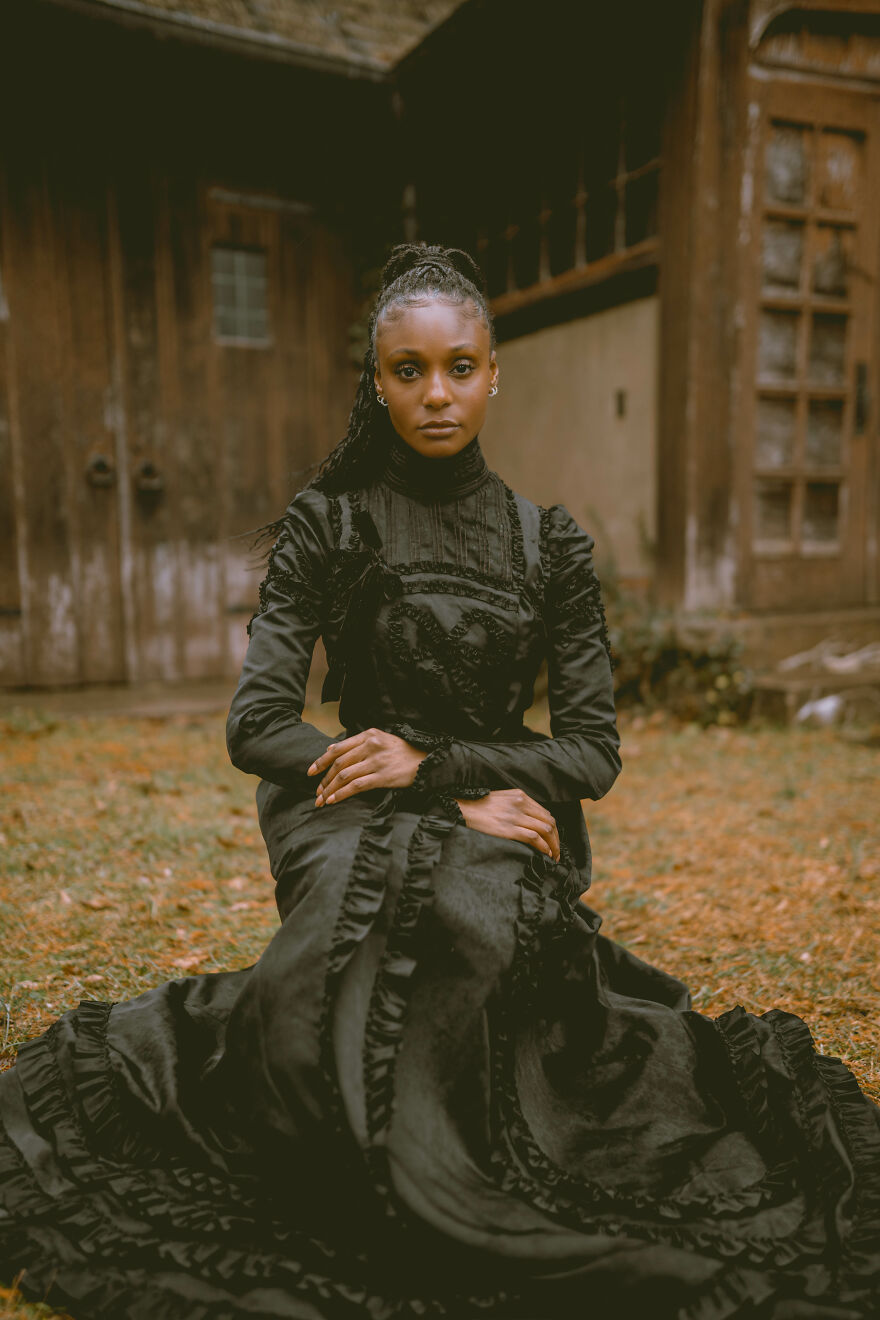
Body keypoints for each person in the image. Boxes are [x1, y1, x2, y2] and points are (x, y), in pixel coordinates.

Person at [0, 242, 878, 1320]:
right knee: (344, 930)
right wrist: (425, 787)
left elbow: (591, 754)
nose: (436, 393)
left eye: (460, 367)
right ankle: (351, 1161)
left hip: (508, 810)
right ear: (377, 382)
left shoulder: (548, 544)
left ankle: (451, 1179)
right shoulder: (330, 521)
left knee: (468, 925)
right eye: (408, 370)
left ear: (493, 373)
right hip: (347, 807)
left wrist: (451, 773)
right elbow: (257, 725)